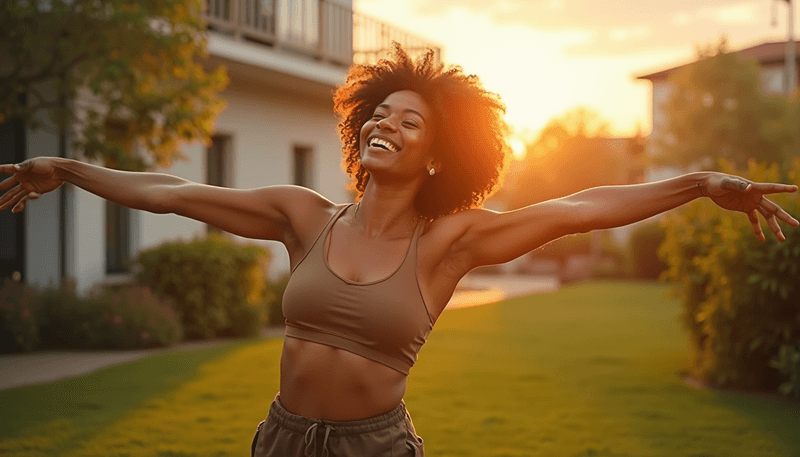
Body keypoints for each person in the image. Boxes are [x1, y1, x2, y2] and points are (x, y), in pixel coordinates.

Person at [0, 45, 798, 457]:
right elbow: (173, 191)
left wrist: (697, 182)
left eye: (411, 121)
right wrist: (65, 168)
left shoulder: (451, 242)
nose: (386, 124)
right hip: (280, 437)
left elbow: (579, 209)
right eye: (378, 113)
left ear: (441, 154)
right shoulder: (302, 215)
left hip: (371, 447)